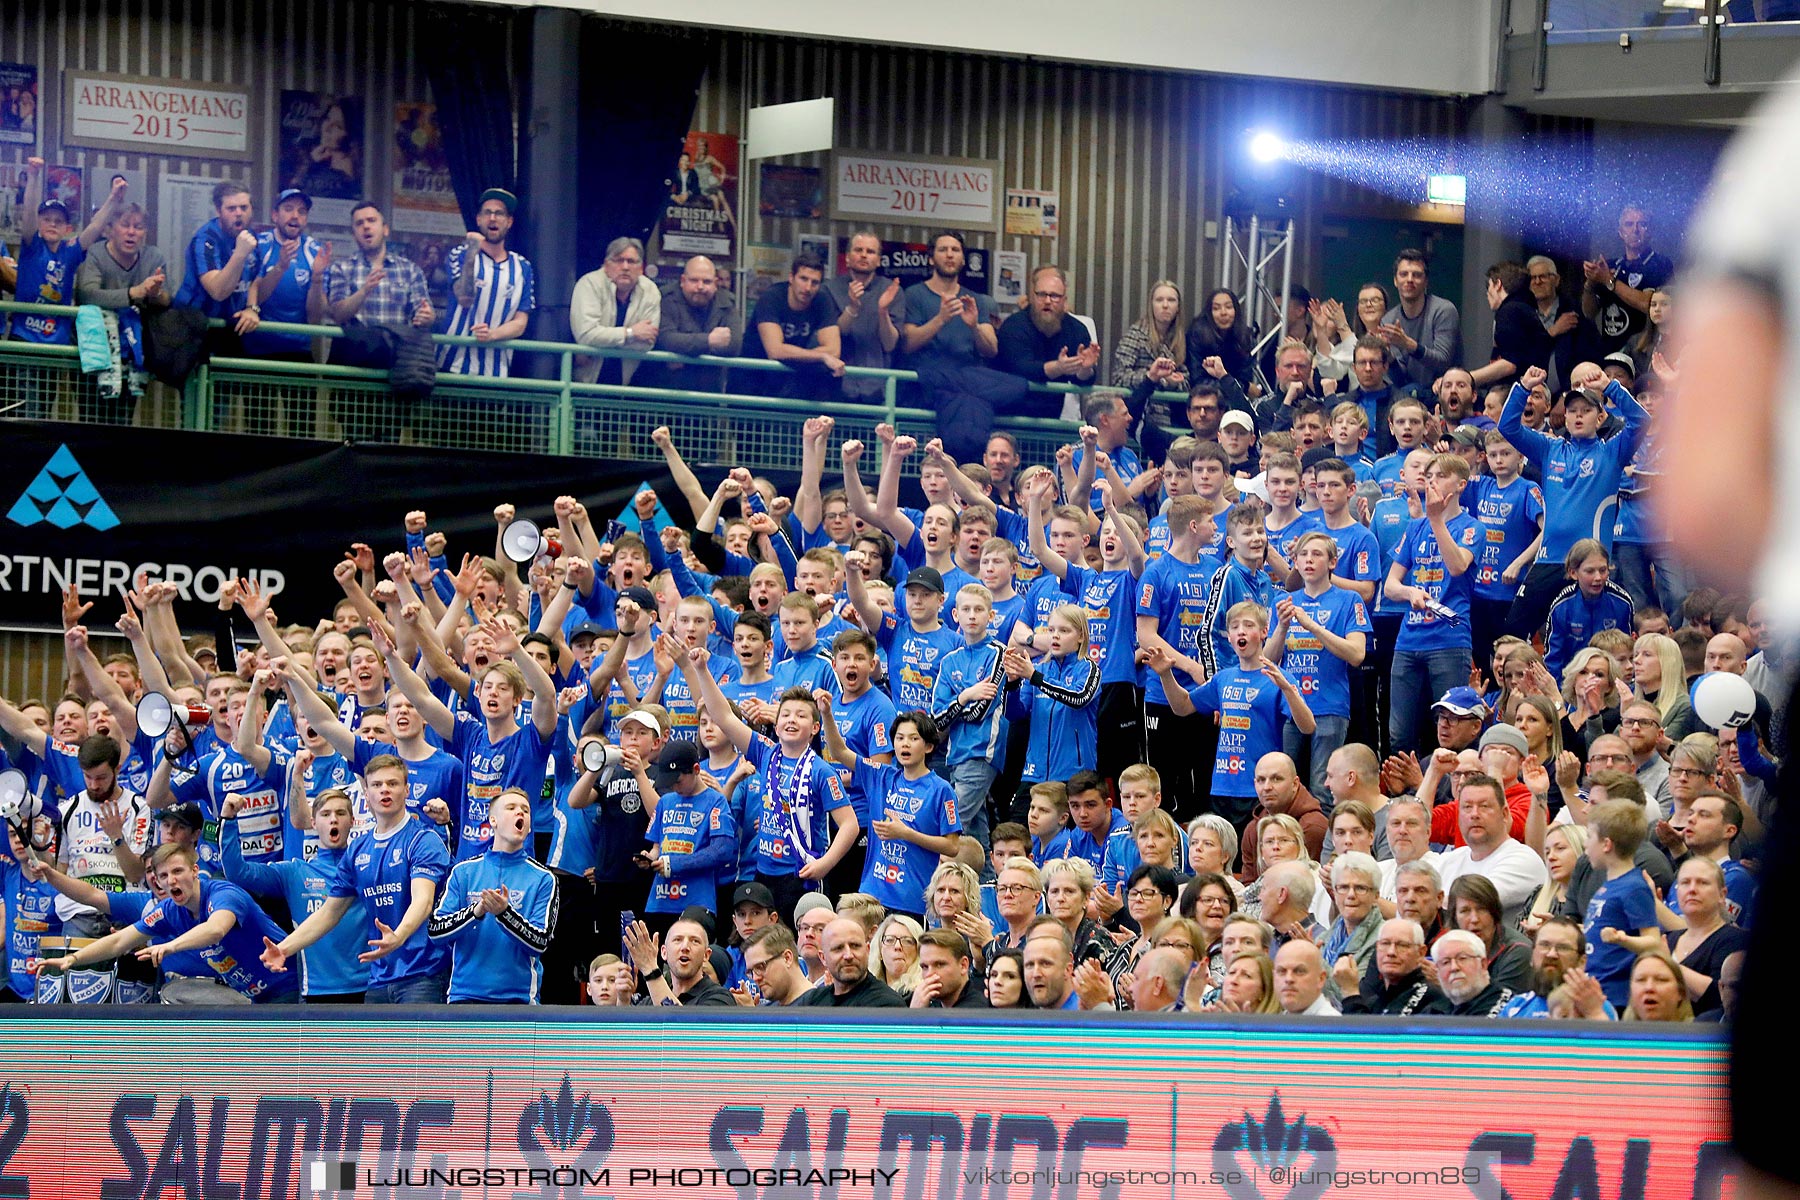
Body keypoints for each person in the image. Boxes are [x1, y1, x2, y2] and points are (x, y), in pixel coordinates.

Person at [260, 746, 452, 1004]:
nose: (385, 789)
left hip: (422, 975)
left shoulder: (422, 839)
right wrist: (284, 948)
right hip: (378, 978)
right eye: (377, 784)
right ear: (366, 794)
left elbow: (423, 901)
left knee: (415, 1046)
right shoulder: (358, 849)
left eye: (393, 783)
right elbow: (329, 913)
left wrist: (398, 936)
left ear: (406, 791)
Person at [33, 845, 297, 1003]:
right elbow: (119, 940)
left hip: (289, 987)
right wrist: (74, 959)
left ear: (194, 872)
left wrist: (170, 946)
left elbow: (216, 929)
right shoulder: (169, 910)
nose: (171, 881)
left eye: (178, 871)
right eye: (163, 875)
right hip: (256, 996)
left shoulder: (223, 893)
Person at [1501, 365, 1648, 639]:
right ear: (1564, 416)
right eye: (1572, 410)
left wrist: (1610, 386)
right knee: (1512, 632)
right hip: (1548, 560)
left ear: (1601, 416)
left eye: (1586, 410)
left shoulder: (1612, 452)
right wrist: (1522, 387)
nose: (1578, 415)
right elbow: (1507, 426)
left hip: (1588, 565)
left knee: (1589, 641)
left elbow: (1642, 421)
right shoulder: (1549, 448)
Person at [901, 231, 1028, 462]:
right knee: (974, 397)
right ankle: (969, 465)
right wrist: (941, 319)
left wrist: (974, 327)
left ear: (962, 259)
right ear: (931, 258)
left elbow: (991, 349)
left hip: (968, 379)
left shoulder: (977, 299)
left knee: (1015, 386)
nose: (949, 255)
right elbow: (907, 344)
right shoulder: (915, 295)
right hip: (931, 377)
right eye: (943, 250)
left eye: (955, 250)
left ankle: (961, 466)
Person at [1384, 453, 1481, 753]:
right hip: (1409, 638)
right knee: (1399, 734)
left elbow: (1456, 567)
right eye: (1429, 476)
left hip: (1449, 638)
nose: (1432, 481)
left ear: (1461, 484)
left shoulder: (1472, 527)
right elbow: (1390, 586)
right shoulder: (1414, 527)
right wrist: (1409, 593)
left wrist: (1436, 519)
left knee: (1453, 730)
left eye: (1440, 475)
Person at [427, 790, 557, 1003]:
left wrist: (505, 914)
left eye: (525, 810)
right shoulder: (463, 872)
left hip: (519, 1001)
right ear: (493, 820)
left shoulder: (544, 878)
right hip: (464, 998)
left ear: (530, 826)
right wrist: (476, 911)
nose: (520, 813)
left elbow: (540, 942)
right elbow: (436, 931)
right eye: (511, 808)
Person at [440, 187, 535, 378]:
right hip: (452, 366)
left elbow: (521, 322)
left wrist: (492, 335)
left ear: (509, 222)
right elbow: (464, 299)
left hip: (496, 372)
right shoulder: (459, 255)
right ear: (478, 220)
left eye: (499, 213)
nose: (493, 218)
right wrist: (472, 253)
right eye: (487, 213)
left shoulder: (522, 267)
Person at [1435, 773, 1549, 927]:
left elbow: (1471, 903)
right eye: (1467, 807)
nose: (1474, 814)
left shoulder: (1523, 860)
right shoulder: (1448, 860)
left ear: (1504, 814)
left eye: (1484, 806)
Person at [240, 188, 328, 375]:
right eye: (288, 209)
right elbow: (253, 295)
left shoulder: (315, 251)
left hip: (299, 350)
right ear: (275, 215)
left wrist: (317, 279)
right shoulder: (257, 245)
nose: (295, 216)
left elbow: (315, 316)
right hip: (258, 349)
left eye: (301, 211)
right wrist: (280, 267)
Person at [744, 253, 845, 401]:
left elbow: (834, 350)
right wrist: (822, 356)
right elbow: (775, 350)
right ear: (791, 277)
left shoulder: (822, 300)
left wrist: (794, 354)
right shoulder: (771, 297)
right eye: (803, 279)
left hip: (786, 382)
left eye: (815, 282)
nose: (808, 288)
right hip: (751, 379)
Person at [323, 200, 432, 332]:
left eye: (371, 220)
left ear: (385, 230)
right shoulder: (341, 268)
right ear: (354, 234)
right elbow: (338, 315)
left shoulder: (410, 270)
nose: (366, 226)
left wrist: (427, 317)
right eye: (359, 223)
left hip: (397, 349)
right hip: (356, 349)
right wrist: (363, 291)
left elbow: (425, 314)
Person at [173, 178, 261, 336]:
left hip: (230, 323)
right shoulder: (206, 239)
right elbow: (217, 291)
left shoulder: (251, 236)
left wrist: (251, 308)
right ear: (219, 211)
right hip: (194, 323)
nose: (239, 213)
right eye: (231, 208)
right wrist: (239, 255)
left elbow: (255, 281)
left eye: (243, 207)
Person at [1581, 205, 1673, 357]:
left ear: (1650, 231)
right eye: (1629, 224)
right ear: (1621, 232)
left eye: (1642, 224)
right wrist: (1591, 282)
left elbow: (1649, 304)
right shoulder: (1610, 266)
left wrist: (1609, 280)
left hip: (1643, 350)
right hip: (1609, 351)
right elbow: (1589, 313)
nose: (1635, 230)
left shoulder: (1660, 264)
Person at [571, 236, 660, 386]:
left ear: (641, 268)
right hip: (586, 384)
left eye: (631, 261)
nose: (625, 267)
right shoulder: (589, 284)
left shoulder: (650, 290)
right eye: (619, 260)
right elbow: (586, 334)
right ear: (606, 265)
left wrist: (600, 340)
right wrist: (631, 333)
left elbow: (647, 343)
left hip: (628, 386)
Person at [644, 255, 738, 393]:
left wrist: (683, 351)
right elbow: (666, 340)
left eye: (707, 281)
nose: (700, 286)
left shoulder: (727, 302)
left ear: (715, 283)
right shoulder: (666, 298)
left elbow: (733, 345)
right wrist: (709, 341)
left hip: (709, 396)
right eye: (694, 280)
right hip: (667, 393)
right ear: (683, 281)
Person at [1544, 541, 1635, 681]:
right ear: (1573, 573)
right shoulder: (1561, 606)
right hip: (1572, 685)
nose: (1598, 577)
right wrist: (1562, 694)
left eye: (1603, 570)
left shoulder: (1622, 602)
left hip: (1613, 683)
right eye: (1590, 571)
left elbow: (1628, 652)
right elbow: (1553, 659)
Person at [825, 232, 900, 401]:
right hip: (835, 386)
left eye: (871, 251)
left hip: (876, 389)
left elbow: (889, 344)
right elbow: (834, 336)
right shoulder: (829, 289)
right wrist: (852, 308)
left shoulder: (892, 291)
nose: (864, 255)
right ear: (847, 258)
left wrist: (883, 311)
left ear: (879, 260)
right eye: (858, 250)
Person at [997, 265, 1100, 386]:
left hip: (1053, 404)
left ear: (1064, 300)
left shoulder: (1077, 330)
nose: (1047, 301)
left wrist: (1085, 369)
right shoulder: (1013, 326)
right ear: (1032, 297)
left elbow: (1082, 381)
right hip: (1011, 403)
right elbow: (1020, 369)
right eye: (1041, 295)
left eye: (1054, 296)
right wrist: (1058, 367)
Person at [1498, 915, 1615, 1019]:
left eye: (1563, 947)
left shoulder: (1596, 1009)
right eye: (1544, 945)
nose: (1551, 954)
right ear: (1532, 955)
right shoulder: (1515, 1007)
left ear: (1581, 961)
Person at [1338, 917, 1449, 1015]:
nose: (1391, 952)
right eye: (1385, 943)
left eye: (1402, 945)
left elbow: (1370, 1038)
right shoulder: (1374, 1003)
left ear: (1421, 952)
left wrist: (1351, 993)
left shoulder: (1432, 998)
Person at [793, 916, 905, 1007]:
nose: (848, 955)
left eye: (855, 946)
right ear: (823, 958)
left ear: (868, 950)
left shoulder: (887, 1005)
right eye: (838, 948)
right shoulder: (812, 1002)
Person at [1448, 873, 1533, 994]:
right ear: (1454, 917)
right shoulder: (1450, 949)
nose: (1474, 919)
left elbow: (1497, 1006)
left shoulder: (1518, 952)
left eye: (1481, 909)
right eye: (1465, 911)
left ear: (1494, 912)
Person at [1112, 279, 1188, 392]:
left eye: (1171, 300)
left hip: (1168, 409)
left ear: (1178, 308)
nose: (1165, 305)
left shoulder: (1179, 339)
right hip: (1141, 407)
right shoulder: (1135, 335)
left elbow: (1187, 383)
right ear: (1151, 306)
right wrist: (1154, 377)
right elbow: (1118, 379)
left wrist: (1174, 383)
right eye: (1159, 300)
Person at [1186, 288, 1256, 392]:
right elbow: (1197, 380)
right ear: (1209, 313)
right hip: (1203, 396)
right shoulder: (1197, 335)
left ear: (1236, 311)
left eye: (1228, 307)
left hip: (1234, 400)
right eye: (1216, 308)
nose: (1223, 313)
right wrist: (1243, 387)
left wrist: (1241, 386)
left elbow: (1245, 377)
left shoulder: (1245, 337)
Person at [1431, 928, 1513, 1017]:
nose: (1454, 967)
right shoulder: (1433, 1012)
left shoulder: (1509, 1010)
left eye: (1462, 958)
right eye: (1445, 962)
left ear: (1483, 964)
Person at [910, 928, 987, 1008]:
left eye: (939, 965)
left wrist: (915, 1015)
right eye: (925, 967)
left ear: (963, 965)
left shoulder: (977, 1010)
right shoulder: (929, 1003)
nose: (930, 974)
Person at [738, 924, 812, 1005]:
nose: (755, 978)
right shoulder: (767, 1010)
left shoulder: (820, 1007)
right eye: (751, 972)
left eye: (760, 967)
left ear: (787, 958)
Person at [1624, 948, 1694, 1023]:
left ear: (1680, 992)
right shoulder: (1617, 1033)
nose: (1649, 987)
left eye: (1661, 980)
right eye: (1641, 980)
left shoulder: (1699, 1033)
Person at [1273, 939, 1339, 1016]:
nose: (1288, 979)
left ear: (1321, 979)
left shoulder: (1331, 1025)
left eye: (1299, 971)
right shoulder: (1273, 1024)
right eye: (1282, 971)